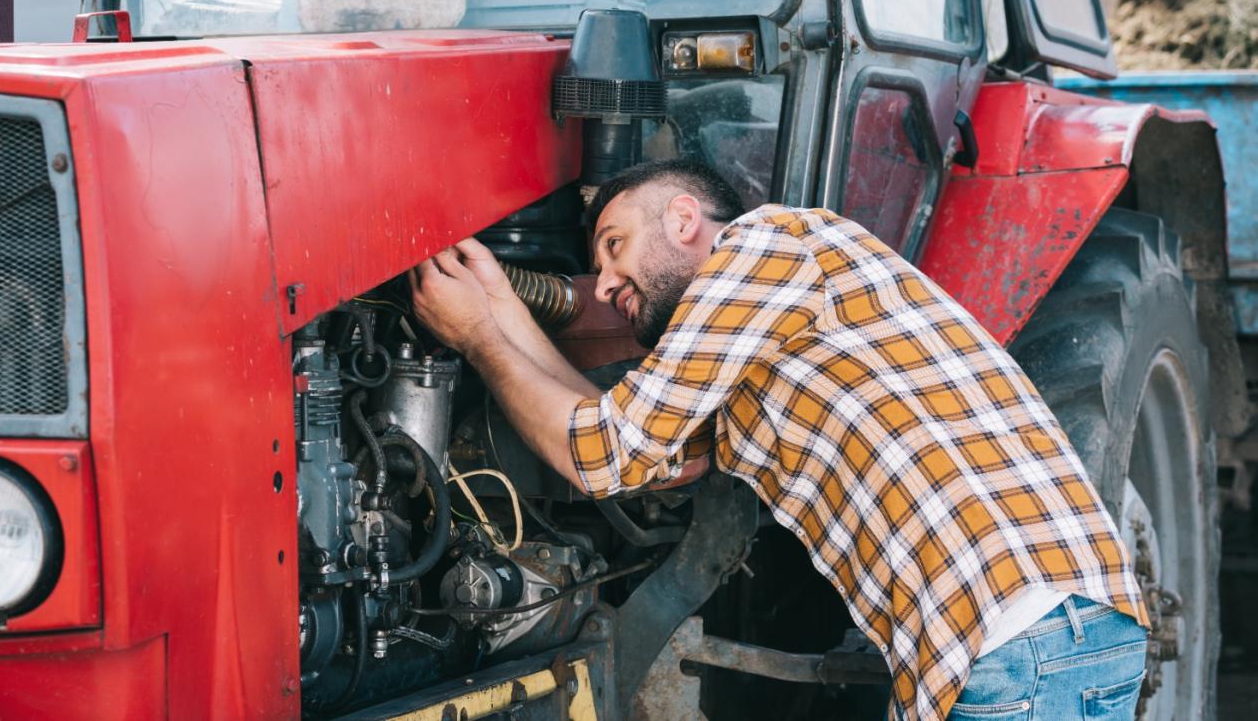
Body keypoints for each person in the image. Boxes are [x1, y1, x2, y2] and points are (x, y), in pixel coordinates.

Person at [409, 158, 1150, 720]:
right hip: (1023, 646)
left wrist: (480, 334)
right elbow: (611, 443)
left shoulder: (767, 246)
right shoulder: (756, 364)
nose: (602, 284)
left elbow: (604, 453)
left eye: (614, 244)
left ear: (682, 218)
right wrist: (499, 312)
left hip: (1021, 643)